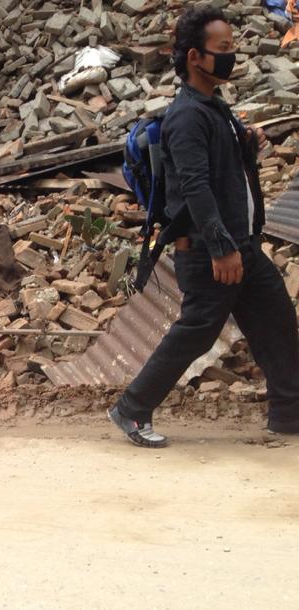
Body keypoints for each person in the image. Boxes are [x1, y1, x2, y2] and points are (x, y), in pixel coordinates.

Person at [108, 5, 299, 447]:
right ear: (195, 57)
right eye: (224, 49)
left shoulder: (214, 108)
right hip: (211, 251)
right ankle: (131, 410)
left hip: (240, 245)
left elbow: (221, 173)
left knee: (276, 318)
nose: (232, 56)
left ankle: (289, 413)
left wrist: (248, 143)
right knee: (197, 330)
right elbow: (194, 187)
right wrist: (220, 247)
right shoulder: (187, 116)